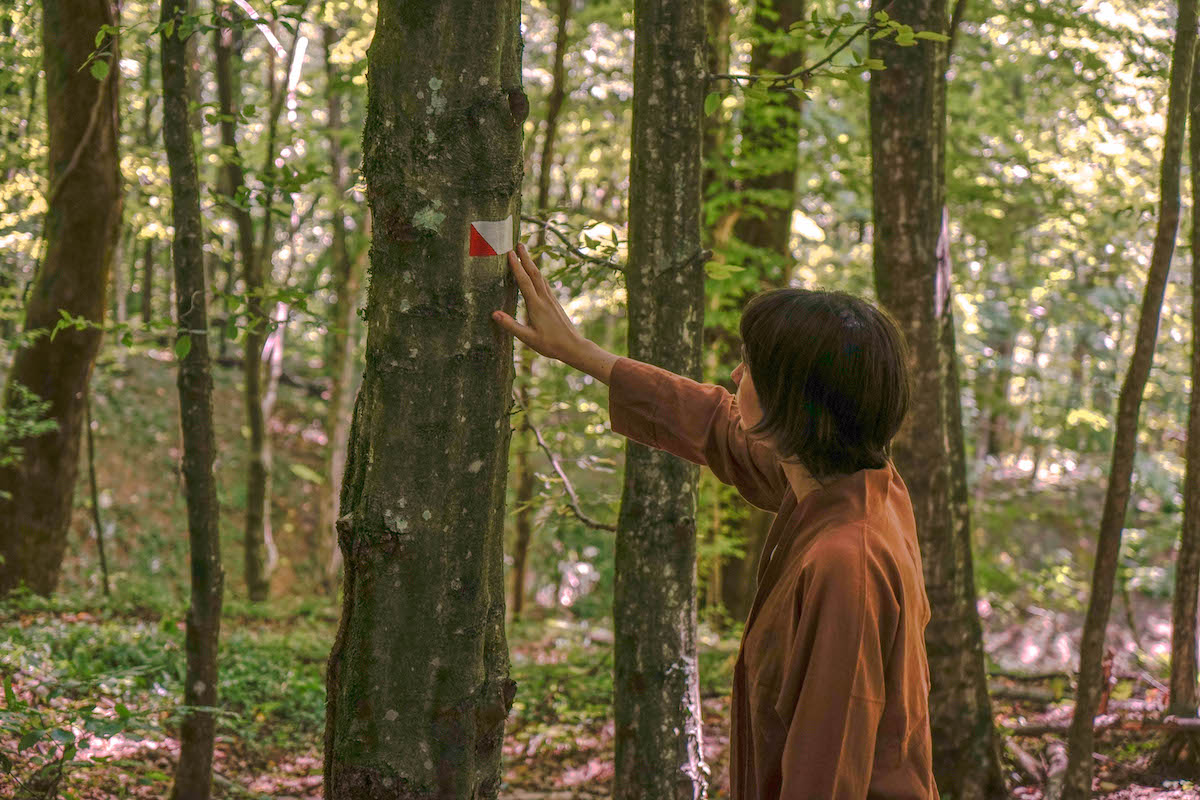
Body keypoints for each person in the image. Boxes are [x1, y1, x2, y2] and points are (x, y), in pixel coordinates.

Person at [491, 243, 938, 800]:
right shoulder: (843, 479)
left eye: (750, 367)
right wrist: (580, 353)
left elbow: (825, 769)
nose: (734, 374)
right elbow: (713, 420)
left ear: (793, 404)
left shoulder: (847, 563)